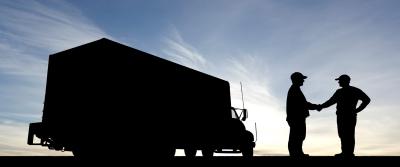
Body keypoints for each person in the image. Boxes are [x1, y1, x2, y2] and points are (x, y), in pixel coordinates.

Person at [319, 74, 370, 157]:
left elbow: (367, 100)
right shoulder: (343, 91)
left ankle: (348, 153)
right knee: (343, 134)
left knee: (348, 134)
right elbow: (330, 101)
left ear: (345, 81)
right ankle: (345, 152)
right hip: (343, 116)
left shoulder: (351, 91)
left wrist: (358, 110)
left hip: (348, 116)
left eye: (340, 80)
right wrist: (321, 106)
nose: (338, 82)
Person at [286, 72, 320, 157]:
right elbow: (304, 104)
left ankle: (298, 153)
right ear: (296, 79)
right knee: (297, 136)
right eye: (302, 79)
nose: (303, 81)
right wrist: (317, 107)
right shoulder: (295, 90)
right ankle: (296, 154)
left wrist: (315, 106)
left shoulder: (295, 89)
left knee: (299, 135)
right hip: (296, 117)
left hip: (296, 117)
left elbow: (304, 104)